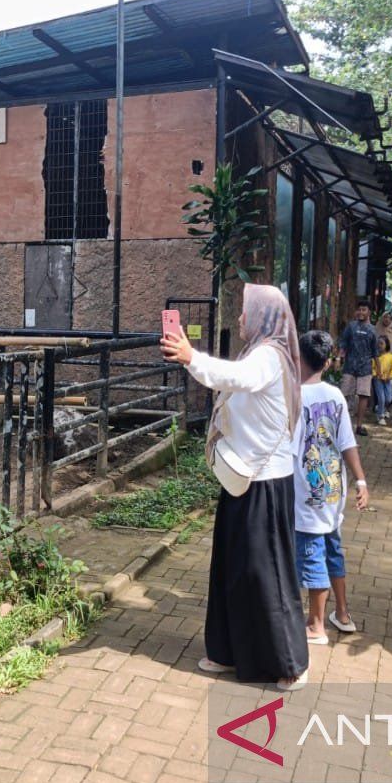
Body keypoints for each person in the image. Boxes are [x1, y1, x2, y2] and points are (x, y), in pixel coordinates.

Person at [161, 284, 309, 692]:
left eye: (246, 312)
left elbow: (234, 378)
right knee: (231, 566)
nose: (240, 319)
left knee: (267, 573)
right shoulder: (259, 351)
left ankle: (290, 661)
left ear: (263, 317)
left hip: (264, 483)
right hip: (243, 477)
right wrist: (192, 358)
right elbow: (229, 379)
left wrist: (192, 356)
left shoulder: (268, 357)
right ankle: (228, 651)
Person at [294, 331, 370, 644]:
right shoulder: (336, 395)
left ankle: (316, 625)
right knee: (332, 552)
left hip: (305, 494)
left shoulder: (293, 396)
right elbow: (347, 442)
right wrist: (361, 480)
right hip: (333, 492)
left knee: (312, 557)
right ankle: (342, 613)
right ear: (328, 362)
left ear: (297, 358)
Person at [337, 299, 379, 436]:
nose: (361, 312)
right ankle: (341, 424)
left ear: (369, 312)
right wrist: (338, 358)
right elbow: (343, 344)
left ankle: (359, 425)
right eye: (359, 309)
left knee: (363, 396)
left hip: (366, 368)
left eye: (364, 310)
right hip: (349, 366)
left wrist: (378, 369)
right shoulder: (351, 326)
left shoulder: (373, 330)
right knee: (344, 395)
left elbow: (375, 352)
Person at [373, 336, 392, 425]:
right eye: (378, 343)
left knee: (388, 398)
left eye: (382, 343)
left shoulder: (391, 357)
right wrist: (375, 374)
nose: (379, 345)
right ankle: (381, 416)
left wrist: (390, 376)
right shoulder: (375, 356)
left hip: (387, 381)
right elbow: (372, 367)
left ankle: (379, 408)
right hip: (378, 380)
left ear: (387, 345)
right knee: (381, 398)